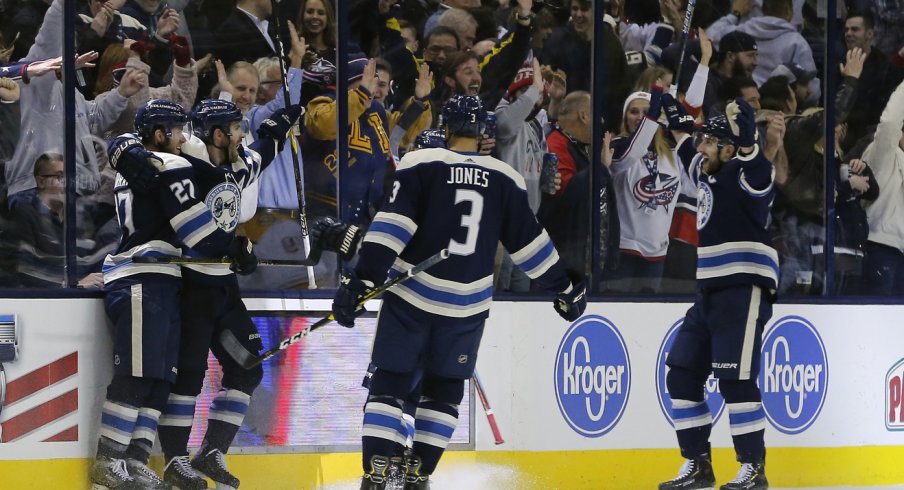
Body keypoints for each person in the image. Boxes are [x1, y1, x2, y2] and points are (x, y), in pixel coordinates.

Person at [331, 95, 586, 490]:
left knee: (391, 383)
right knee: (445, 392)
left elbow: (390, 230)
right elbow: (530, 246)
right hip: (467, 307)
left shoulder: (421, 163)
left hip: (412, 298)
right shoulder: (506, 177)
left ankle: (380, 473)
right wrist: (565, 289)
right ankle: (419, 475)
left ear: (446, 129)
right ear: (483, 131)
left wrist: (360, 281)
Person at [89, 99, 237, 489]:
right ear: (159, 134)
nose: (183, 137)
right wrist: (234, 246)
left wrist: (122, 143)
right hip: (140, 276)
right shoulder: (170, 165)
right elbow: (197, 232)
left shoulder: (143, 163)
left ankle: (135, 461)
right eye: (176, 130)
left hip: (161, 278)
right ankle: (109, 462)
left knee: (159, 379)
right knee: (137, 376)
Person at [150, 98, 297, 489]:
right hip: (189, 283)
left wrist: (284, 122)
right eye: (236, 128)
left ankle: (211, 450)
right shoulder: (185, 164)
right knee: (189, 378)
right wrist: (232, 246)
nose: (241, 134)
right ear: (218, 134)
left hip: (224, 286)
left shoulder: (242, 160)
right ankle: (174, 461)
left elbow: (264, 149)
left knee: (247, 367)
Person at [660, 99, 777, 490]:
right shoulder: (705, 169)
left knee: (736, 382)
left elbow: (759, 170)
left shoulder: (748, 173)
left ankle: (753, 468)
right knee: (681, 375)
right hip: (708, 292)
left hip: (743, 289)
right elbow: (684, 146)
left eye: (710, 142)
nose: (701, 146)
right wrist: (677, 121)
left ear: (729, 149)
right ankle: (698, 465)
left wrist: (748, 144)